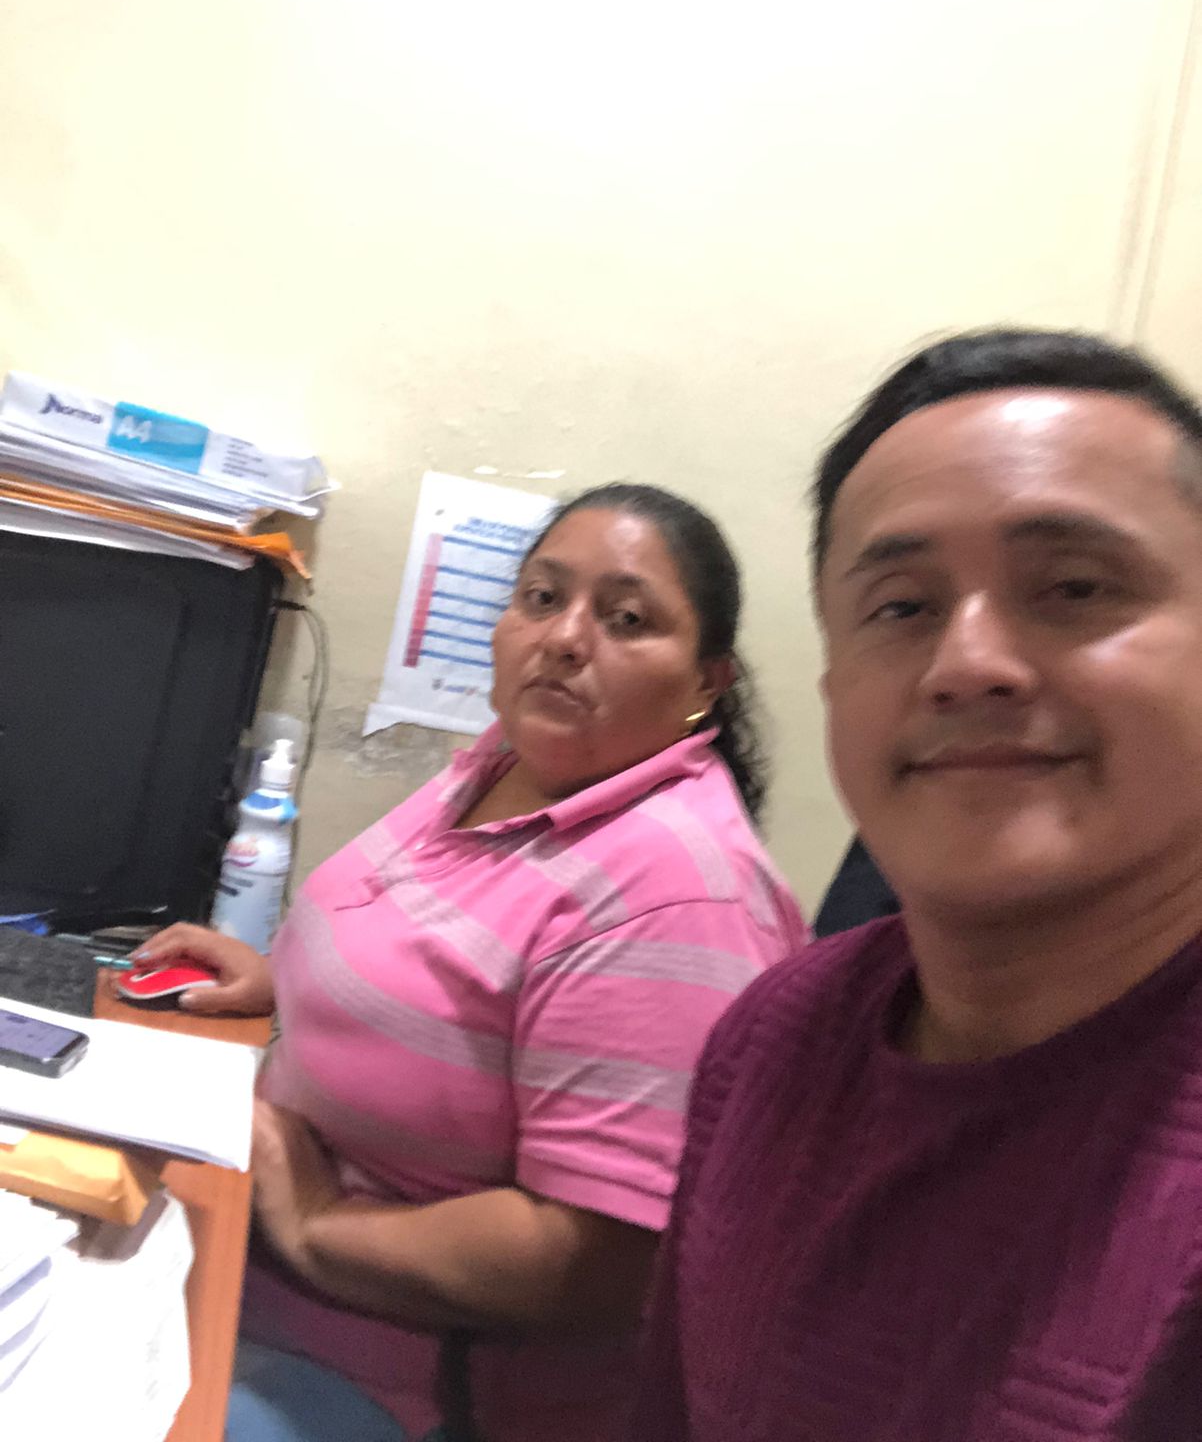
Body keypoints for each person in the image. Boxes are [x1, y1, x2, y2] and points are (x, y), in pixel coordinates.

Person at [136, 482, 805, 1442]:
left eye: (626, 620)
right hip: (254, 1261)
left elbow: (598, 1265)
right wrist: (291, 984)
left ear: (707, 683)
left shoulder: (674, 893)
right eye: (542, 598)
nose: (565, 638)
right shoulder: (506, 766)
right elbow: (456, 980)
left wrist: (316, 1223)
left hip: (401, 1386)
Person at [634, 328, 1202, 1442]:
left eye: (1074, 587)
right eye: (900, 607)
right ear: (834, 681)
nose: (968, 663)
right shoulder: (771, 1038)